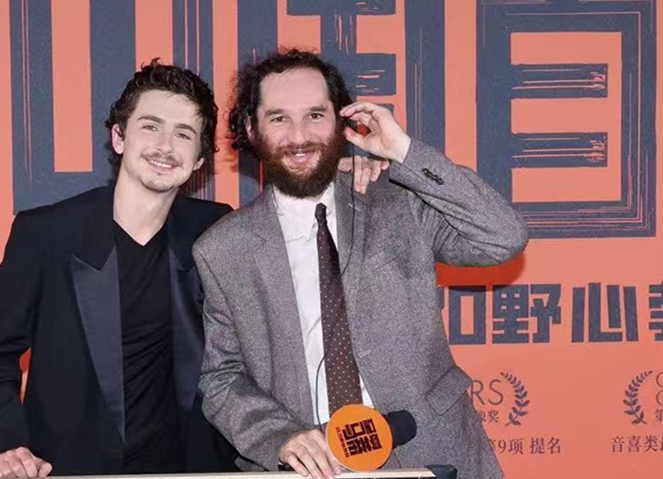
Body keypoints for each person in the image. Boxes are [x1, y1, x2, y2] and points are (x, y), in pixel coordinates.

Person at [0, 58, 382, 478]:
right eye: (151, 126)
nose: (165, 146)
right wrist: (6, 445)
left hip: (194, 471)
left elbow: (300, 207)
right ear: (119, 137)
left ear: (199, 159)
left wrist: (343, 172)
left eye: (184, 134)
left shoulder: (217, 231)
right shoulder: (48, 234)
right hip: (70, 470)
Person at [193, 49, 528, 479]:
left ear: (341, 121)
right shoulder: (223, 249)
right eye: (278, 118)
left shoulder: (398, 202)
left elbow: (502, 237)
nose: (299, 136)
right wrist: (279, 437)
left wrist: (403, 152)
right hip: (312, 466)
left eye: (315, 115)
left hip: (430, 448)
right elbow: (222, 377)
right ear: (250, 129)